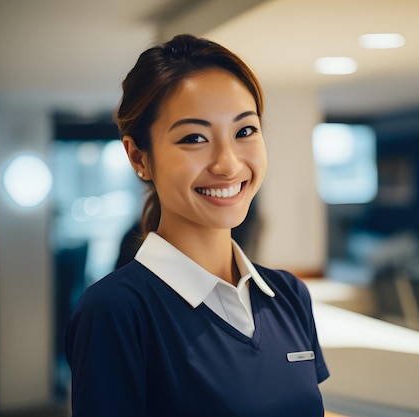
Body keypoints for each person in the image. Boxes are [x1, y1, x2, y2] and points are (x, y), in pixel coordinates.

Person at [64, 34, 331, 416]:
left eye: (245, 131)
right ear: (139, 157)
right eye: (194, 138)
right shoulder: (116, 311)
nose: (228, 164)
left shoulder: (288, 296)